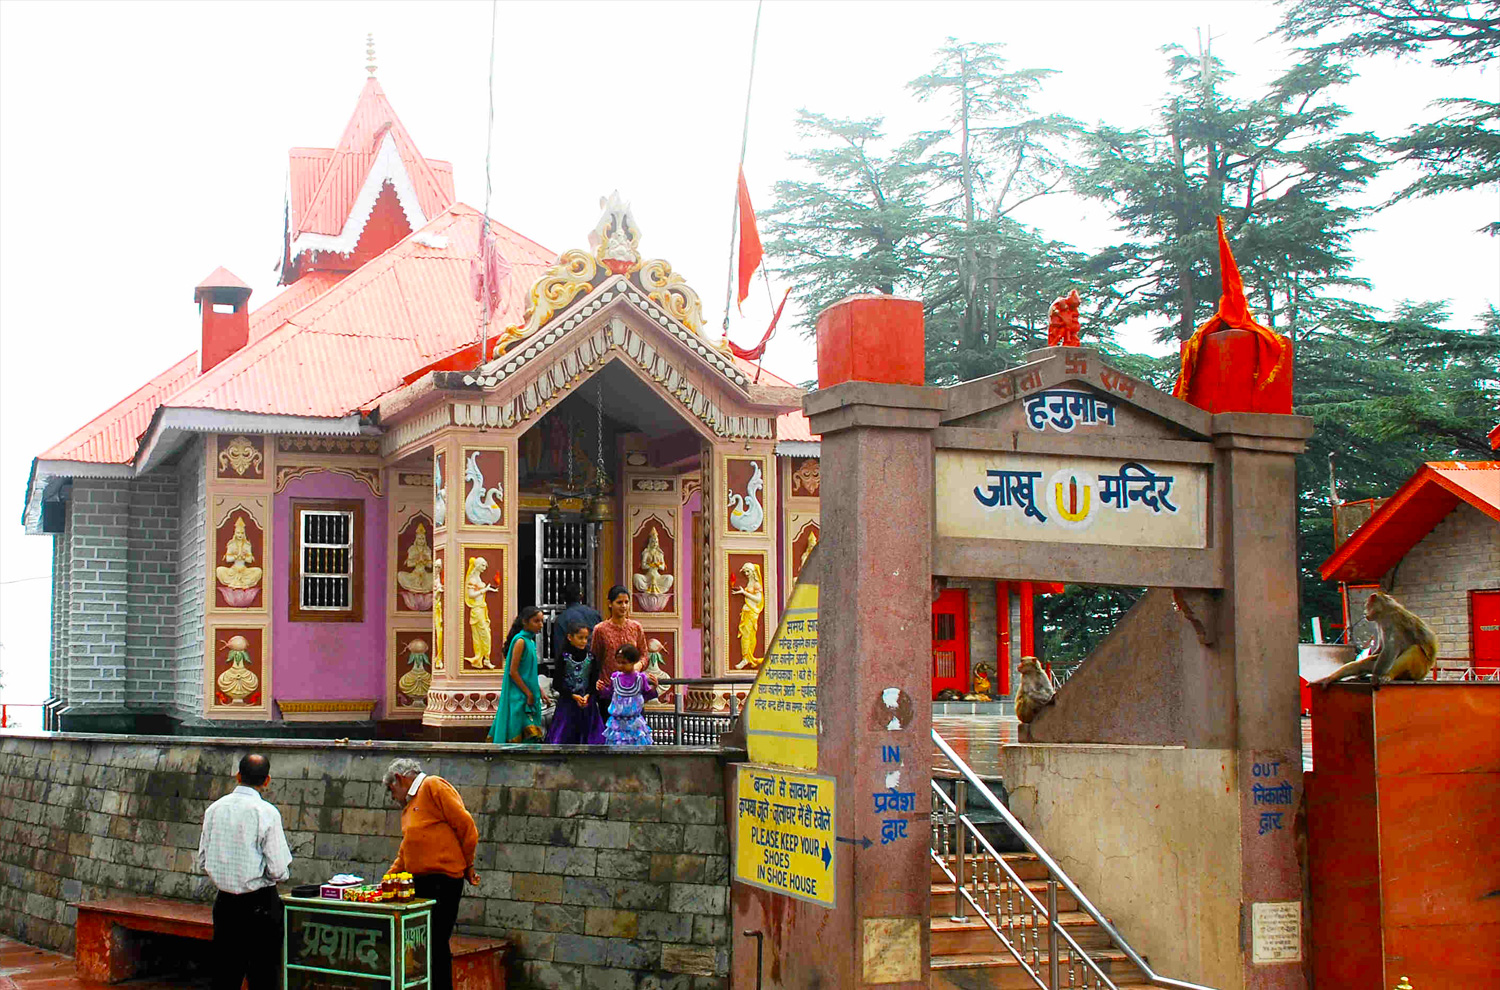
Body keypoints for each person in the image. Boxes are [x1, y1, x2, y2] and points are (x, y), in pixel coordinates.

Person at [195, 753, 292, 990]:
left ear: (238, 776)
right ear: (267, 780)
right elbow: (279, 870)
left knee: (225, 975)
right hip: (260, 904)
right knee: (264, 976)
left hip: (225, 903)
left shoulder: (214, 810)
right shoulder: (266, 812)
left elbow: (203, 860)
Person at [384, 758, 479, 990]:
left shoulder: (433, 786)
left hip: (444, 879)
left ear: (399, 779)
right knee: (421, 943)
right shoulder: (409, 807)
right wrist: (388, 878)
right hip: (420, 881)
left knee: (436, 942)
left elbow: (466, 826)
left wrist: (468, 865)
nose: (392, 796)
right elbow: (407, 849)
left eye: (391, 790)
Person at [489, 606, 549, 743]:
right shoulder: (520, 641)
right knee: (518, 733)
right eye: (536, 621)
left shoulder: (531, 642)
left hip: (529, 694)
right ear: (524, 622)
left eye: (541, 621)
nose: (540, 625)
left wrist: (540, 691)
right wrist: (528, 693)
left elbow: (530, 672)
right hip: (519, 695)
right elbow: (513, 672)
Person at [588, 585, 647, 725]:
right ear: (610, 603)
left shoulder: (636, 627)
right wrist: (595, 681)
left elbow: (644, 655)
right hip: (609, 689)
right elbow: (594, 659)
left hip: (633, 689)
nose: (624, 606)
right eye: (619, 602)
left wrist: (638, 666)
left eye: (626, 602)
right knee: (611, 732)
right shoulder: (601, 629)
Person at [543, 618, 605, 744]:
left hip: (588, 705)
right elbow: (557, 683)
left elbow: (594, 680)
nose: (583, 641)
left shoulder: (591, 657)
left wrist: (588, 695)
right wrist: (572, 695)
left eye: (586, 638)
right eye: (580, 637)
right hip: (568, 704)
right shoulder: (564, 658)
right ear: (570, 637)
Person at [600, 644, 658, 745]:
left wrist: (654, 687)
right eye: (618, 663)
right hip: (617, 724)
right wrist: (601, 689)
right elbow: (609, 694)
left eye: (624, 663)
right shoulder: (615, 677)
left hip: (634, 723)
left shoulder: (640, 679)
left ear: (633, 662)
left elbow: (647, 695)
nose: (620, 666)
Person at [549, 582, 602, 671]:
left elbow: (559, 649)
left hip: (572, 668)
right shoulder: (595, 614)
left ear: (562, 597)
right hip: (594, 664)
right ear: (581, 596)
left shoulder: (562, 619)